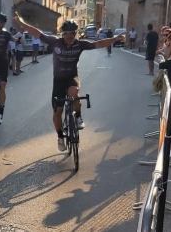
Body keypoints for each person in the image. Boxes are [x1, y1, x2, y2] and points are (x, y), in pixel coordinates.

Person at [14, 14, 125, 151]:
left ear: (76, 33)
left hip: (72, 77)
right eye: (67, 33)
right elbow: (38, 33)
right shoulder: (55, 42)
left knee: (74, 93)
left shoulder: (80, 44)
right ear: (63, 34)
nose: (70, 36)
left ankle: (78, 117)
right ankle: (60, 137)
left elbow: (99, 44)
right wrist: (22, 23)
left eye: (73, 33)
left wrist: (116, 39)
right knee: (57, 112)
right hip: (58, 81)